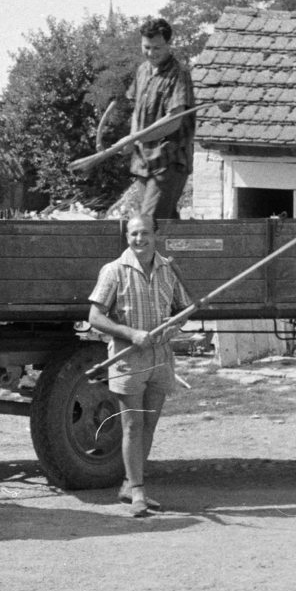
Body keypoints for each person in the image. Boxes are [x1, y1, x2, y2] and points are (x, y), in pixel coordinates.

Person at [87, 214, 192, 516]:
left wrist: (173, 328)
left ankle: (129, 484)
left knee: (148, 425)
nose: (139, 240)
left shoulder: (168, 268)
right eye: (133, 234)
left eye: (145, 233)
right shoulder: (114, 271)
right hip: (128, 359)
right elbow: (95, 317)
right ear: (127, 238)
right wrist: (131, 334)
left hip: (160, 358)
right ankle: (137, 493)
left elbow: (184, 309)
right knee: (133, 425)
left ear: (155, 235)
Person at [128, 18, 196, 220]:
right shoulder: (142, 71)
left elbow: (174, 120)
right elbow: (136, 111)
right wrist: (131, 139)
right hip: (143, 162)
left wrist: (137, 138)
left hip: (169, 161)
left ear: (169, 44)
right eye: (146, 47)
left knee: (147, 223)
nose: (151, 53)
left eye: (157, 48)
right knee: (164, 224)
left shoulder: (179, 74)